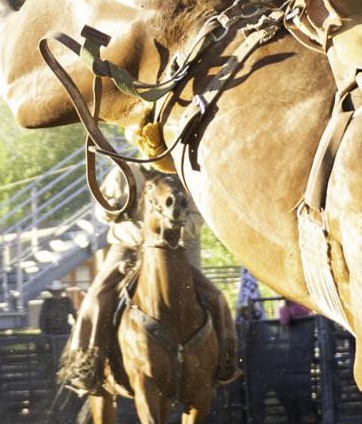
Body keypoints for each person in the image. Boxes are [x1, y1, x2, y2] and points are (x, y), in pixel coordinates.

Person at [60, 167, 239, 395]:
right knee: (96, 298)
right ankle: (86, 365)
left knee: (216, 296)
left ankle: (225, 360)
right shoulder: (124, 172)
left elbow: (196, 219)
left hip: (176, 250)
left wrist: (166, 232)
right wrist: (114, 209)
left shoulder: (184, 170)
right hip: (128, 247)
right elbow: (102, 213)